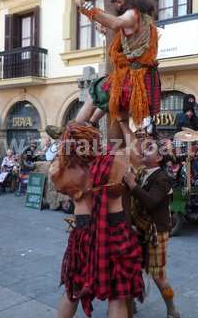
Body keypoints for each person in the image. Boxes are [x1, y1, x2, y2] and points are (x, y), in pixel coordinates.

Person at [45, 0, 160, 141]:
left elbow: (115, 23)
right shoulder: (144, 19)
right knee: (106, 97)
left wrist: (84, 5)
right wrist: (105, 28)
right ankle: (90, 123)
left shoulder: (132, 14)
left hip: (134, 80)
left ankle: (70, 130)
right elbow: (120, 32)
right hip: (142, 78)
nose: (114, 0)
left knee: (96, 91)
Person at [51, 122, 144, 318]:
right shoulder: (117, 159)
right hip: (116, 231)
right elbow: (137, 151)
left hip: (83, 234)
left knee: (73, 291)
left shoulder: (60, 171)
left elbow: (60, 187)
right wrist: (122, 124)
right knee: (118, 297)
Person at [123, 136, 180, 318]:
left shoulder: (163, 178)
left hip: (156, 232)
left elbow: (151, 202)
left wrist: (132, 184)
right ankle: (131, 304)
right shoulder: (141, 171)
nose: (144, 150)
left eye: (149, 148)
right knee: (132, 268)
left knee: (158, 276)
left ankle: (172, 309)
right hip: (139, 229)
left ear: (158, 158)